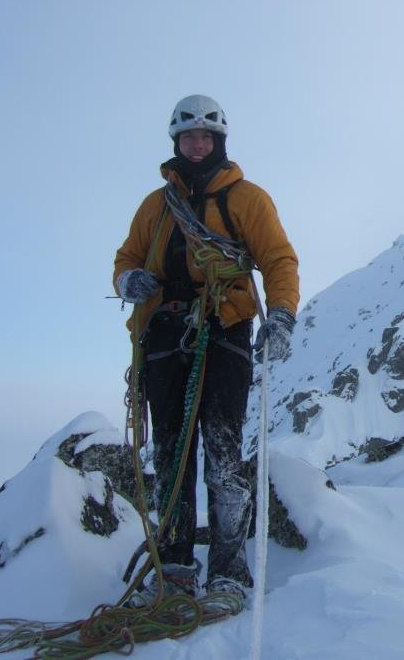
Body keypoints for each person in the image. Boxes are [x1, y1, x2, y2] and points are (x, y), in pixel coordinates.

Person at [114, 94, 299, 602]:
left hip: (224, 327)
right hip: (165, 333)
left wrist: (280, 315)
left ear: (219, 141)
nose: (197, 145)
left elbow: (279, 259)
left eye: (205, 137)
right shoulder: (156, 205)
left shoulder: (247, 199)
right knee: (172, 455)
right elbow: (129, 255)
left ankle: (228, 571)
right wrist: (129, 279)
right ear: (177, 143)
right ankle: (174, 568)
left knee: (222, 452)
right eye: (189, 137)